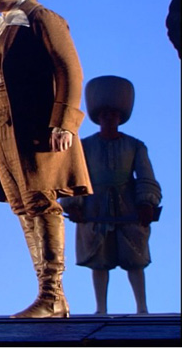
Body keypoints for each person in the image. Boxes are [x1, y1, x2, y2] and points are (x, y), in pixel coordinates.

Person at [0, 0, 93, 318]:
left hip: (36, 129)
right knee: (23, 208)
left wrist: (65, 123)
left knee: (41, 203)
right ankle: (48, 296)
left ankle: (52, 295)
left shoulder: (41, 18)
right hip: (3, 133)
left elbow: (69, 69)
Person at [60, 76, 162, 315]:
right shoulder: (84, 147)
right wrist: (73, 204)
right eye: (105, 114)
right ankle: (101, 309)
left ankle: (142, 308)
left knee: (135, 257)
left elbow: (146, 175)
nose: (109, 118)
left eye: (113, 114)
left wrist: (146, 202)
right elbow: (74, 176)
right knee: (99, 259)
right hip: (94, 206)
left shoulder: (135, 146)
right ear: (99, 117)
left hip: (128, 205)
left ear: (119, 117)